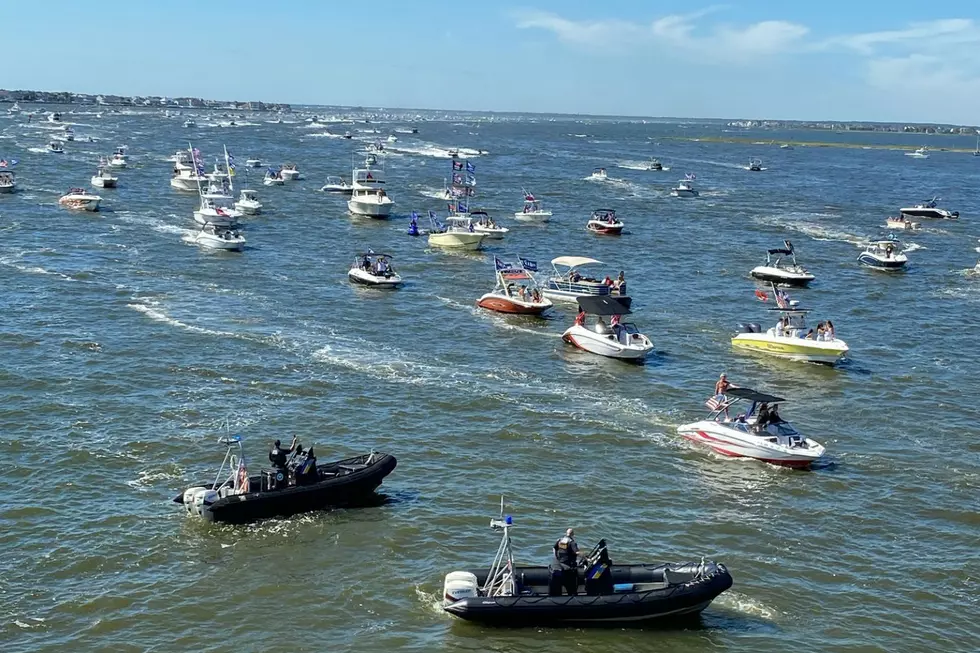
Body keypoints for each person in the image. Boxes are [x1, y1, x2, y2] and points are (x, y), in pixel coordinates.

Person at [553, 528, 583, 596]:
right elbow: (577, 552)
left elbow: (554, 548)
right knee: (572, 588)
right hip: (570, 568)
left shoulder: (560, 541)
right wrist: (586, 557)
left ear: (566, 533)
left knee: (565, 583)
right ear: (573, 534)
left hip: (561, 565)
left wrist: (556, 557)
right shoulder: (572, 543)